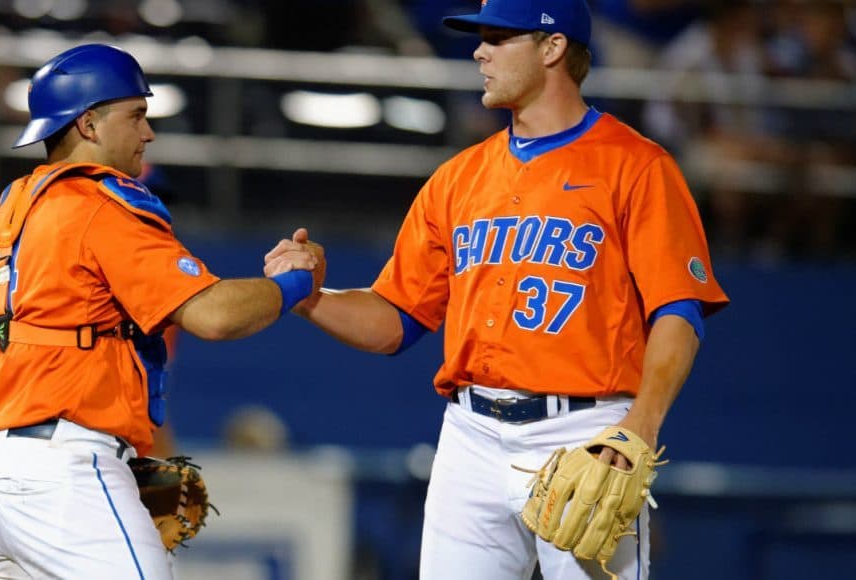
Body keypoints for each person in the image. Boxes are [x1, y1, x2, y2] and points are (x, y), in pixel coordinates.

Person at [265, 1, 729, 578]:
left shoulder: (637, 167)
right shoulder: (457, 178)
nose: (479, 52)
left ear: (552, 47)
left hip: (586, 431)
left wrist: (640, 426)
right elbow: (395, 320)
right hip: (471, 436)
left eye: (499, 38)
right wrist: (312, 296)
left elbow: (679, 313)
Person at [0, 43, 320, 579]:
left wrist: (12, 400)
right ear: (89, 123)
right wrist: (295, 283)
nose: (149, 132)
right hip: (64, 472)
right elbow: (214, 315)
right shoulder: (100, 207)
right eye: (136, 115)